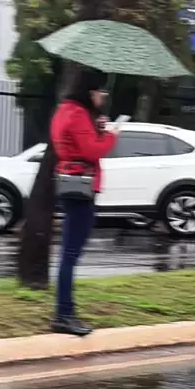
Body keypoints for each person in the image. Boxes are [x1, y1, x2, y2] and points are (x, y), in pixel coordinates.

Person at [50, 68, 118, 337]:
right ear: (90, 92)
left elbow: (74, 144)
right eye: (101, 91)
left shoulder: (64, 110)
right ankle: (64, 315)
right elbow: (92, 150)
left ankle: (63, 313)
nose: (103, 96)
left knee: (69, 253)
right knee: (70, 255)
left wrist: (97, 128)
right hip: (81, 188)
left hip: (71, 184)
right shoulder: (78, 114)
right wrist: (111, 135)